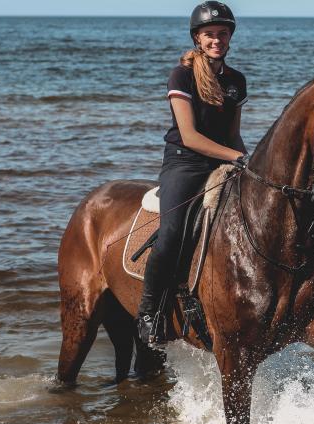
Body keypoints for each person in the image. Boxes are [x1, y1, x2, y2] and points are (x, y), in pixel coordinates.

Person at [137, 1, 248, 346]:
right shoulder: (181, 75)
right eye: (210, 34)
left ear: (230, 37)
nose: (217, 39)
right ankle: (149, 310)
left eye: (222, 34)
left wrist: (249, 161)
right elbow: (189, 136)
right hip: (184, 161)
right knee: (171, 233)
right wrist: (237, 156)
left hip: (222, 160)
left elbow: (233, 136)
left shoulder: (236, 81)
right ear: (198, 39)